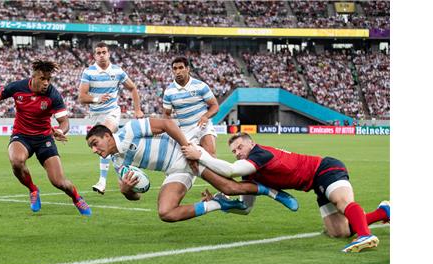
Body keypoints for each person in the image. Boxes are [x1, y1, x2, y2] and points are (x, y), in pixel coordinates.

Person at [181, 132, 390, 253]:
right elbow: (245, 208)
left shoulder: (259, 154)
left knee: (342, 202)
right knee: (339, 232)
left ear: (251, 144)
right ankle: (384, 212)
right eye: (234, 151)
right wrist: (220, 200)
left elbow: (230, 170)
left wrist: (200, 155)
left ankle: (364, 235)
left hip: (325, 169)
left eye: (240, 147)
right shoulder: (251, 171)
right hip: (314, 184)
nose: (237, 153)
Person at [85, 118, 298, 223]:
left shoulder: (130, 130)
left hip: (184, 154)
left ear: (107, 136)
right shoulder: (118, 164)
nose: (95, 150)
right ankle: (217, 204)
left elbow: (167, 124)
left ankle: (272, 192)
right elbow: (137, 196)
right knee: (166, 213)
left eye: (95, 143)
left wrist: (187, 147)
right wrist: (126, 191)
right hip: (174, 171)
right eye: (91, 147)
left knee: (230, 187)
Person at [0, 60, 91, 216]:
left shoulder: (53, 94)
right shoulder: (17, 87)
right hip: (21, 135)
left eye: (48, 79)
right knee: (16, 161)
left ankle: (76, 197)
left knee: (59, 182)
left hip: (44, 139)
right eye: (43, 79)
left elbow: (64, 122)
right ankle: (33, 190)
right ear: (34, 77)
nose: (46, 83)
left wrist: (60, 131)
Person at [78, 42, 144, 194]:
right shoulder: (89, 72)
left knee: (104, 140)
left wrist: (138, 110)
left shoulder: (117, 71)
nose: (101, 55)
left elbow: (133, 88)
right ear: (94, 55)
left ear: (109, 54)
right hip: (95, 115)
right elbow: (81, 97)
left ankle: (102, 182)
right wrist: (96, 99)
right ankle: (127, 177)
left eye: (104, 52)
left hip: (112, 112)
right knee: (113, 149)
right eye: (98, 52)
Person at [163, 56, 219, 156]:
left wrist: (206, 116)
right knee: (191, 162)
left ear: (188, 69)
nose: (178, 71)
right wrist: (173, 129)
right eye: (175, 69)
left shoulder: (200, 85)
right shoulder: (168, 92)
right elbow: (166, 115)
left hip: (203, 126)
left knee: (210, 155)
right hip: (185, 130)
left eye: (181, 68)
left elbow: (214, 106)